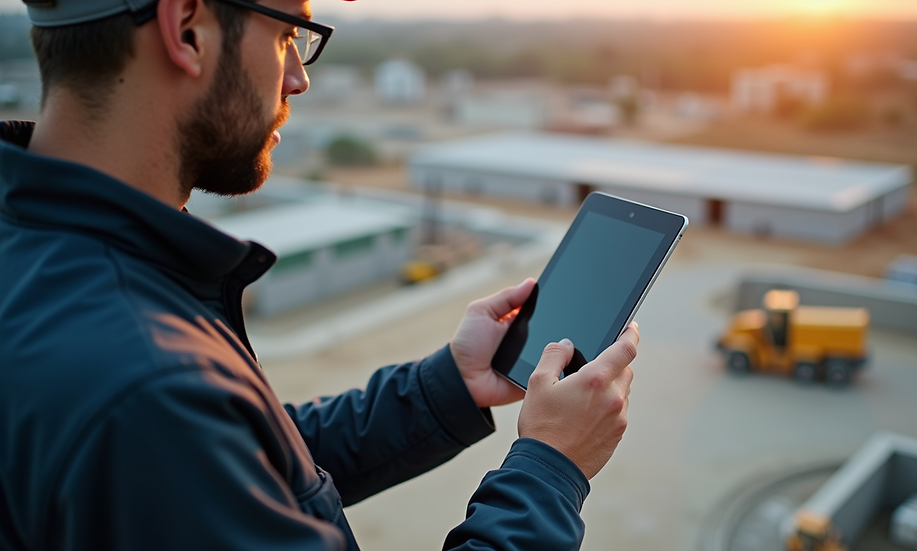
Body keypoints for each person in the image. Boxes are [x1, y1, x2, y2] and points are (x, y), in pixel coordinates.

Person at [0, 1, 638, 549]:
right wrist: (550, 469)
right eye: (286, 35)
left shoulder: (44, 252)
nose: (298, 79)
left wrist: (446, 387)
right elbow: (184, 435)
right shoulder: (146, 384)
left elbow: (237, 466)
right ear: (187, 28)